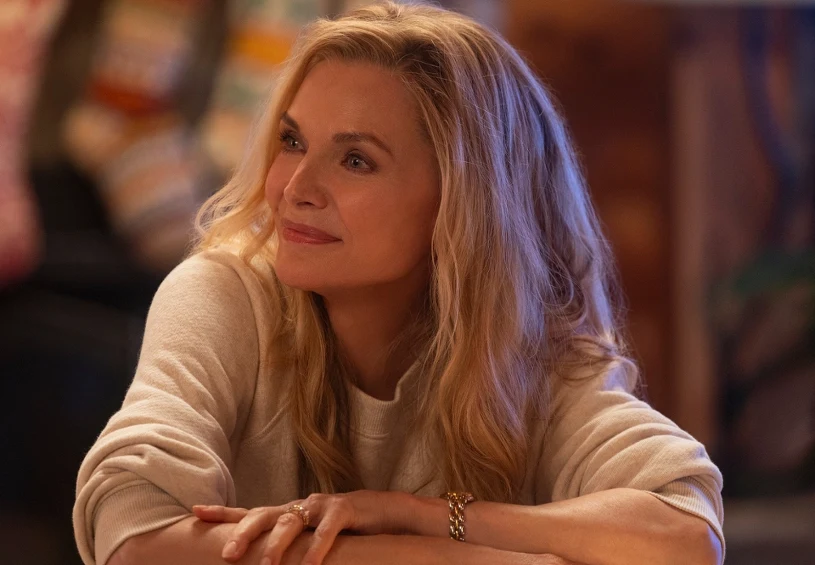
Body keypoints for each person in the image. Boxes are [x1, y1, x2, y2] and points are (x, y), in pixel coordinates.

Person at [73, 2, 725, 565]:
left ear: (464, 203)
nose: (295, 188)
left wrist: (418, 515)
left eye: (355, 159)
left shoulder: (528, 343)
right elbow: (132, 534)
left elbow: (685, 535)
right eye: (292, 141)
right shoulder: (222, 292)